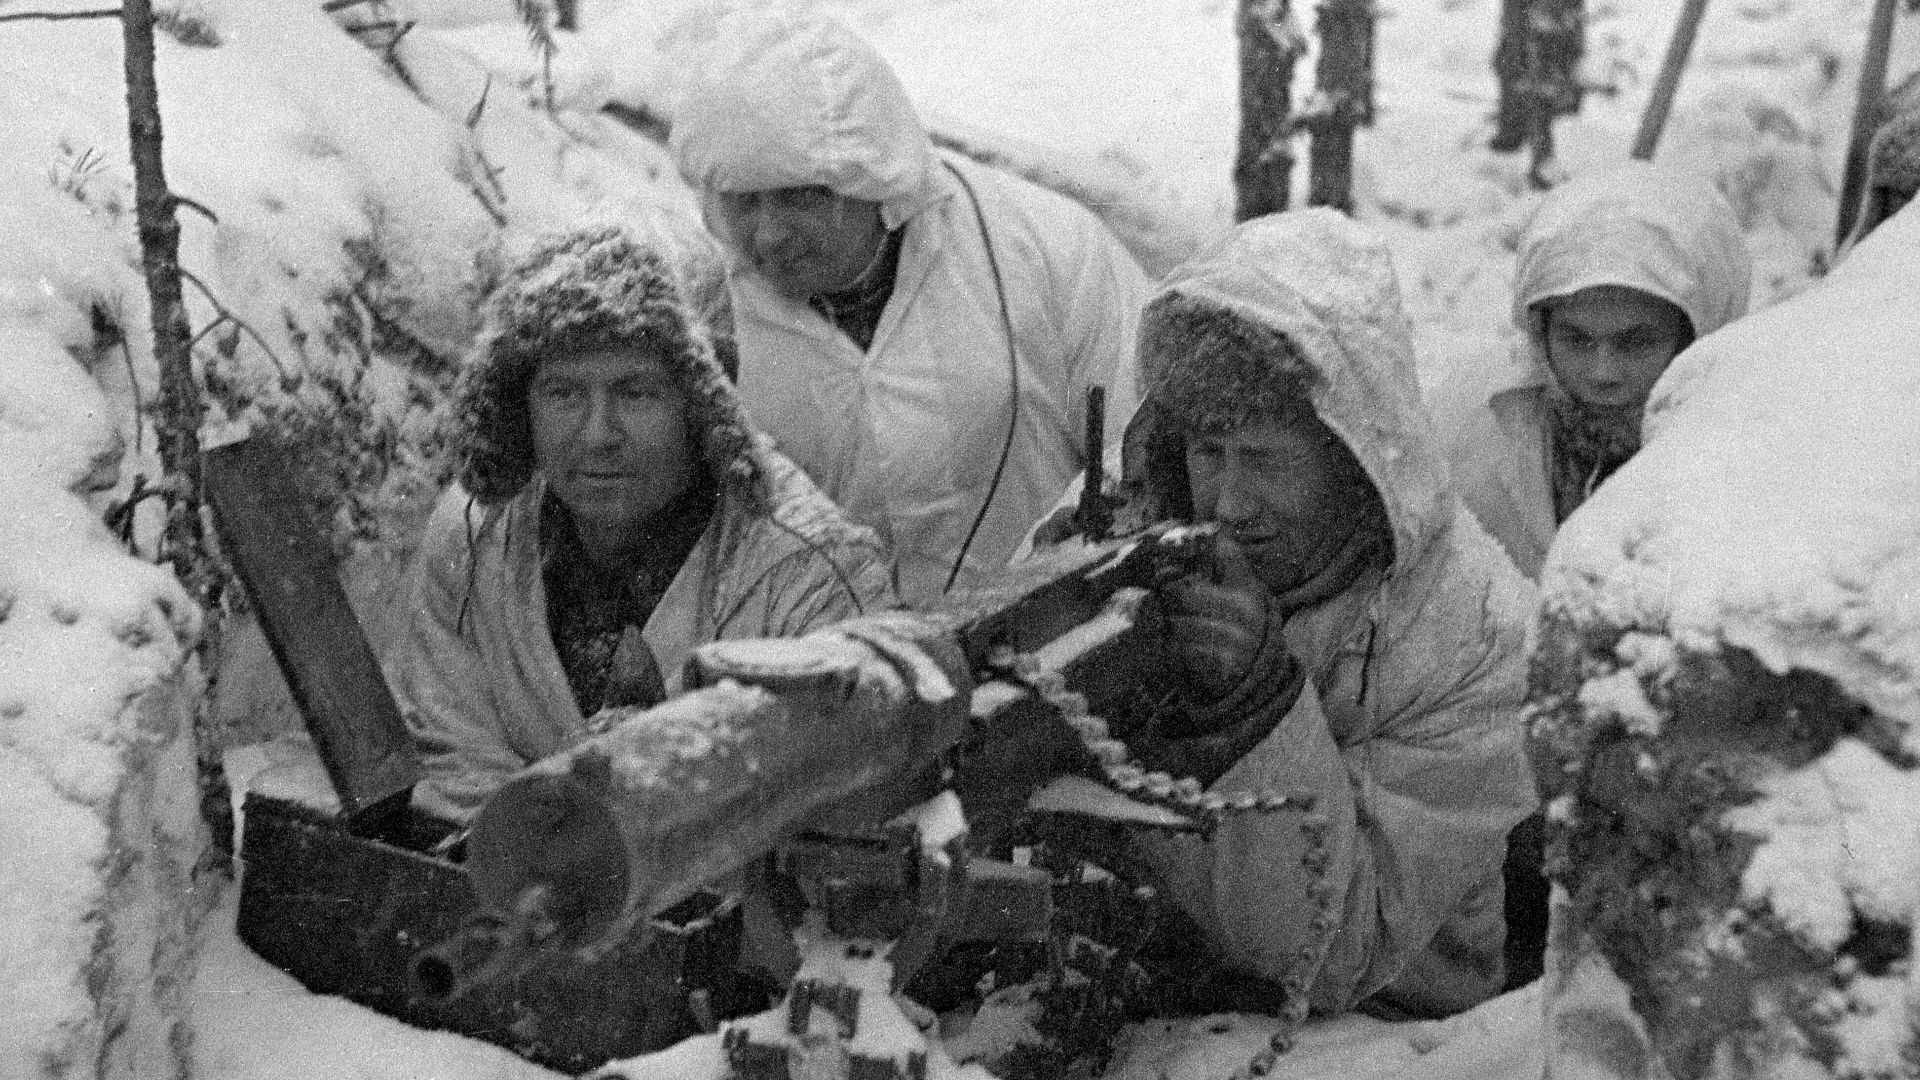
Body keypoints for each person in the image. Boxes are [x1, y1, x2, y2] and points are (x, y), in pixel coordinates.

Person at [1098, 209, 1539, 1019]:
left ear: (1354, 456)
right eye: (1207, 454)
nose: (1229, 504)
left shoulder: (1472, 634)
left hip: (1389, 1031)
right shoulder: (1137, 535)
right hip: (1146, 998)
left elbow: (1340, 956)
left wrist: (1254, 710)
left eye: (1266, 461)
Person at [386, 223, 894, 822]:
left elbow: (832, 815)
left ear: (704, 405)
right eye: (564, 394)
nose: (598, 436)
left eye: (638, 393)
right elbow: (451, 764)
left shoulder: (807, 575)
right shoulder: (474, 533)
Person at [668, 9, 1149, 604]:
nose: (767, 235)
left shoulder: (1046, 248)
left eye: (797, 199)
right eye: (744, 203)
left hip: (1047, 636)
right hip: (826, 671)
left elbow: (1149, 437)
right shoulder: (702, 308)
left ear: (871, 183)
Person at [1431, 162, 1752, 579]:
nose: (1603, 373)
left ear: (1696, 337)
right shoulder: (1473, 420)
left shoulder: (1745, 448)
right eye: (1576, 339)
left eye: (1635, 342)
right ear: (1540, 333)